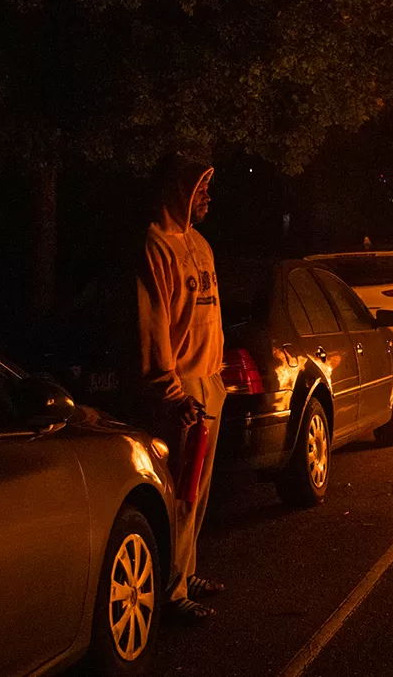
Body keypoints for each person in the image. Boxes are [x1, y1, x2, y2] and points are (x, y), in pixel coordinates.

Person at [135, 154, 228, 623]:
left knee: (200, 493)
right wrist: (171, 393)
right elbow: (154, 328)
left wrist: (217, 376)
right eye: (199, 190)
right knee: (181, 493)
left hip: (209, 381)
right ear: (178, 192)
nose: (207, 197)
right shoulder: (155, 246)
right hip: (183, 389)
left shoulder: (200, 245)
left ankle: (186, 572)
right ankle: (170, 596)